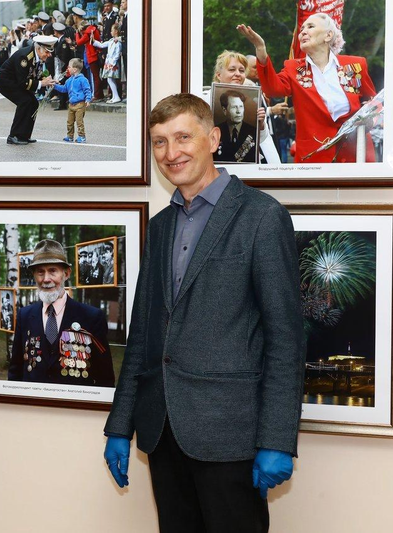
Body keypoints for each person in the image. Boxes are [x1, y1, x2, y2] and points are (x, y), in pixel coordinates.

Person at [103, 94, 304, 531]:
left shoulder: (262, 217)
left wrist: (277, 438)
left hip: (231, 437)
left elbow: (286, 339)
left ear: (212, 139)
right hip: (162, 431)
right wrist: (119, 425)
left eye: (182, 138)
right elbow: (143, 334)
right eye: (159, 142)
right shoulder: (160, 226)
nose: (170, 153)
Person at [238, 13, 377, 163]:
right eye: (302, 29)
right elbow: (272, 89)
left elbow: (374, 102)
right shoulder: (293, 68)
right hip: (313, 157)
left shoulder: (356, 65)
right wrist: (260, 48)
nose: (303, 32)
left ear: (328, 35)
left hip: (355, 154)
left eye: (310, 27)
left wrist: (369, 119)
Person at [8, 239, 114, 388]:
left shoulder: (91, 317)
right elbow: (15, 371)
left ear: (66, 273)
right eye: (40, 272)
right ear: (34, 275)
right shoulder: (24, 315)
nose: (46, 279)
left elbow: (105, 378)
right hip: (32, 401)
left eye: (52, 271)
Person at [205, 50, 280, 163]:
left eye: (241, 70)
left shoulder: (253, 101)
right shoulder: (204, 100)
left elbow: (262, 140)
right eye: (232, 70)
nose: (238, 74)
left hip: (248, 166)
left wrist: (261, 127)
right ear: (218, 75)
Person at [0, 35, 57, 145]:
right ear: (39, 49)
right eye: (47, 52)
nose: (49, 55)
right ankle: (13, 136)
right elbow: (23, 82)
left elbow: (34, 73)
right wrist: (42, 83)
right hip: (6, 82)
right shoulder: (24, 57)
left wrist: (47, 80)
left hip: (17, 81)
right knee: (24, 101)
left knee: (34, 103)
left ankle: (24, 135)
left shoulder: (36, 55)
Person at [51, 58, 92, 143]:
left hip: (80, 104)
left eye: (69, 67)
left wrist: (88, 99)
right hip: (71, 104)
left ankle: (82, 136)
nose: (68, 69)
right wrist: (55, 86)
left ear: (75, 69)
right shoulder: (69, 80)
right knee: (69, 121)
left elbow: (87, 90)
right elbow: (64, 89)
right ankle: (70, 136)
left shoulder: (83, 80)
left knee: (79, 122)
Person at [215, 89, 258, 163]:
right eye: (234, 107)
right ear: (224, 110)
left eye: (241, 107)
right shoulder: (216, 131)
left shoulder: (254, 132)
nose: (238, 111)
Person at [91, 23, 123, 103]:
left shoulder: (118, 42)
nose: (110, 32)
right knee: (110, 80)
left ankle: (116, 96)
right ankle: (115, 96)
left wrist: (113, 62)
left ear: (116, 31)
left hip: (112, 63)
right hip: (109, 63)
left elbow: (117, 53)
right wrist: (94, 41)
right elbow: (102, 45)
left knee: (110, 79)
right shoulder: (111, 41)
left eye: (112, 30)